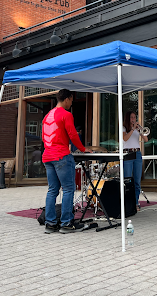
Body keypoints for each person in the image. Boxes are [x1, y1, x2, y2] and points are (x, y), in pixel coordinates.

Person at [42, 89, 92, 234]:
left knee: (52, 190)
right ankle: (66, 223)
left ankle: (50, 223)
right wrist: (83, 149)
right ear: (67, 99)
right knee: (68, 189)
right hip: (61, 156)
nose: (71, 103)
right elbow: (73, 135)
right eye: (71, 100)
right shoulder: (66, 114)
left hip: (48, 156)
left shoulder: (47, 115)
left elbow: (44, 136)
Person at [122, 111, 149, 210]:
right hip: (128, 153)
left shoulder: (137, 129)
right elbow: (124, 138)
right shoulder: (124, 128)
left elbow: (146, 140)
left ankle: (136, 202)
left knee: (137, 180)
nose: (133, 119)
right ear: (127, 118)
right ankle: (127, 202)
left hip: (137, 153)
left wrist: (140, 130)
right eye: (131, 117)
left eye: (134, 117)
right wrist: (133, 129)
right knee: (128, 179)